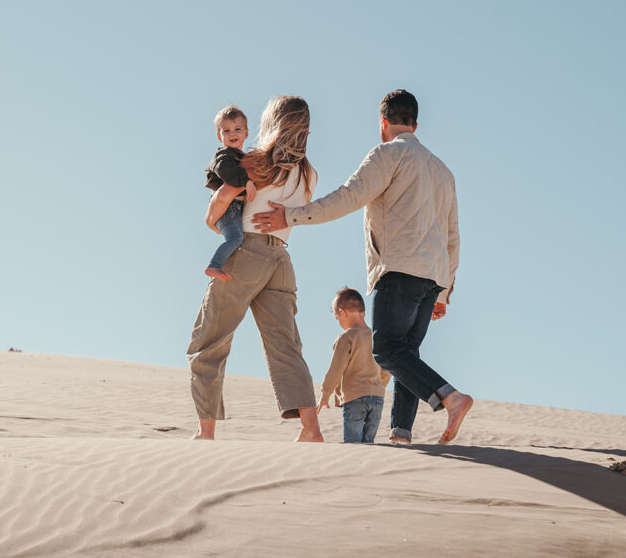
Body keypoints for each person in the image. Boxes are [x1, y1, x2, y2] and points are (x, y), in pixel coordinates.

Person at [252, 89, 474, 445]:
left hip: (398, 268)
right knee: (406, 355)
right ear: (416, 124)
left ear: (383, 121)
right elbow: (453, 237)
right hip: (433, 275)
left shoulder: (388, 154)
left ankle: (450, 397)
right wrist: (445, 291)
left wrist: (291, 216)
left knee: (385, 349)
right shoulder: (443, 171)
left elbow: (349, 197)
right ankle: (401, 434)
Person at [188, 95, 323, 442]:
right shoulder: (309, 173)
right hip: (281, 258)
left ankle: (206, 432)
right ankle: (311, 428)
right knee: (286, 345)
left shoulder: (254, 161)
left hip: (246, 252)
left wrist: (210, 218)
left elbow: (221, 200)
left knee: (209, 342)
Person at [317, 287, 391, 444]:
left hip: (356, 399)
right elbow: (387, 368)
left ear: (342, 313)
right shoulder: (377, 337)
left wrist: (325, 395)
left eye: (337, 317)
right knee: (368, 444)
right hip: (378, 399)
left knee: (353, 446)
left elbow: (335, 370)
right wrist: (377, 386)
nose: (338, 322)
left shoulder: (346, 337)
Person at [203, 105, 258, 281]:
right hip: (229, 208)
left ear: (246, 133)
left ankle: (224, 265)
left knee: (238, 239)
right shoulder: (224, 156)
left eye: (237, 129)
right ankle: (214, 266)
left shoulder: (239, 156)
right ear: (220, 136)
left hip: (234, 207)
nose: (232, 134)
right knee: (235, 238)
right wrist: (247, 181)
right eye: (226, 131)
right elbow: (225, 170)